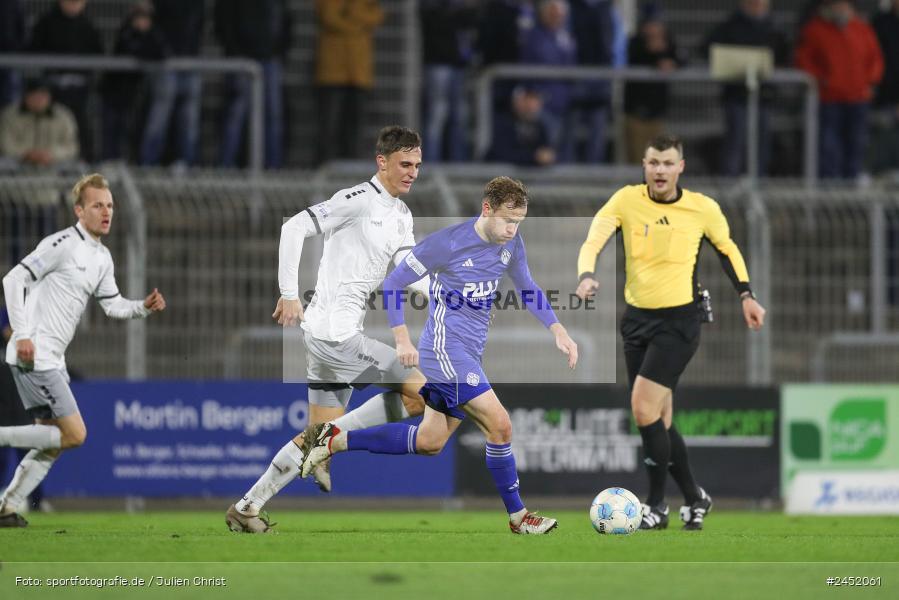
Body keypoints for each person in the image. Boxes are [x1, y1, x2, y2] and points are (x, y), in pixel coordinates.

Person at [299, 176, 579, 535]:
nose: (512, 229)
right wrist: (402, 339)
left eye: (519, 222)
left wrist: (558, 329)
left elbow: (527, 286)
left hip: (469, 354)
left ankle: (332, 441)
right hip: (445, 353)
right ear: (487, 209)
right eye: (508, 220)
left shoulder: (511, 243)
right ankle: (519, 517)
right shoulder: (448, 244)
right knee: (501, 425)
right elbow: (394, 283)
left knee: (430, 442)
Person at [225, 126, 431, 533]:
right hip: (336, 337)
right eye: (405, 164)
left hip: (327, 337)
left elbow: (410, 271)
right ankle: (332, 441)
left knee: (316, 433)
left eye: (418, 165)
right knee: (423, 393)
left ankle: (247, 507)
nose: (412, 172)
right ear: (382, 162)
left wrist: (449, 297)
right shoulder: (357, 200)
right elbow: (293, 228)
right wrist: (288, 293)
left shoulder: (401, 215)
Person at [575, 133, 766, 531]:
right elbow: (595, 236)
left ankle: (657, 505)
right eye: (652, 163)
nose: (659, 170)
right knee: (658, 417)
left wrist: (746, 295)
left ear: (681, 167)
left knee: (643, 408)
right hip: (636, 321)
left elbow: (727, 248)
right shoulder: (627, 200)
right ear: (644, 166)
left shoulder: (702, 208)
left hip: (680, 322)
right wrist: (587, 275)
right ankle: (695, 497)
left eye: (667, 163)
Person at [0, 173, 166, 527]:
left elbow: (112, 305)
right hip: (34, 354)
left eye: (110, 205)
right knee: (76, 434)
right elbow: (13, 279)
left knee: (52, 441)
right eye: (97, 205)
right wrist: (24, 335)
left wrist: (142, 307)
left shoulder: (102, 257)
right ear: (79, 210)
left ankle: (7, 507)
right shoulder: (61, 244)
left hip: (51, 359)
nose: (106, 212)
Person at [795, 0, 884, 180]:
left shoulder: (861, 28)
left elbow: (875, 59)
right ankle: (830, 191)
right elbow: (803, 60)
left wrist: (870, 83)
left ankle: (851, 189)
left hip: (858, 99)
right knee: (829, 149)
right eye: (837, 4)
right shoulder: (815, 30)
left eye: (844, 5)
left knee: (856, 147)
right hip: (829, 99)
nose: (841, 9)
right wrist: (822, 80)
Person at [703, 0, 790, 176]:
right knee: (735, 142)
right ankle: (730, 186)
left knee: (762, 144)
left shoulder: (775, 29)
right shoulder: (730, 26)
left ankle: (759, 186)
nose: (756, 5)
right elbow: (707, 48)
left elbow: (785, 55)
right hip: (736, 95)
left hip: (764, 96)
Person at [215, 0, 291, 169]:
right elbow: (223, 22)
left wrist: (280, 52)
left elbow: (285, 21)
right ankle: (225, 167)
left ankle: (273, 168)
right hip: (242, 60)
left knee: (273, 116)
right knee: (236, 114)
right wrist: (236, 53)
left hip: (271, 59)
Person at [28, 0, 104, 162]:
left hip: (80, 88)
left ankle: (86, 161)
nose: (73, 5)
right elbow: (34, 50)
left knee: (83, 126)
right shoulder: (47, 22)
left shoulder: (88, 26)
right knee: (52, 124)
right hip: (52, 87)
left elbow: (97, 53)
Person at [314, 0, 383, 165]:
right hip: (332, 71)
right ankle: (326, 169)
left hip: (358, 72)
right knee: (329, 127)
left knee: (355, 127)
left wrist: (350, 16)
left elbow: (377, 16)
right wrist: (357, 25)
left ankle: (350, 173)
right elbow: (329, 16)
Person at [138, 0, 204, 167]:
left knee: (189, 119)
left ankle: (185, 163)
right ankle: (149, 163)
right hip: (166, 62)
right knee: (160, 115)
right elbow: (152, 22)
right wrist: (164, 51)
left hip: (190, 60)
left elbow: (198, 22)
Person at [100, 1, 167, 161]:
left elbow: (161, 53)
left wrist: (145, 41)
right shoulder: (126, 32)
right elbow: (131, 49)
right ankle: (110, 161)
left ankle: (128, 162)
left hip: (133, 95)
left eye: (145, 18)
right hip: (113, 92)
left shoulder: (153, 34)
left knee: (131, 131)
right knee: (111, 131)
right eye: (139, 18)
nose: (141, 22)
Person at [624, 3, 682, 164]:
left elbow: (680, 59)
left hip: (657, 112)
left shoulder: (667, 42)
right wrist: (651, 52)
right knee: (637, 159)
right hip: (636, 112)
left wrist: (668, 60)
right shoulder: (635, 42)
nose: (654, 28)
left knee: (657, 158)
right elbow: (632, 59)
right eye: (650, 24)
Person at [0, 77, 80, 168]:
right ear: (25, 96)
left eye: (42, 95)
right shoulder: (10, 115)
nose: (38, 100)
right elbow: (5, 145)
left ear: (50, 97)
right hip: (15, 172)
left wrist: (50, 155)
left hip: (55, 171)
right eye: (34, 95)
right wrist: (27, 154)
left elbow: (71, 147)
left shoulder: (63, 116)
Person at [486, 86, 556, 166]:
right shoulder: (503, 123)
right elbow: (501, 154)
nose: (532, 106)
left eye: (536, 100)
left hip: (528, 176)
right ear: (517, 101)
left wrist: (548, 156)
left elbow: (547, 151)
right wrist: (534, 157)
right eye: (528, 100)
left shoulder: (540, 126)